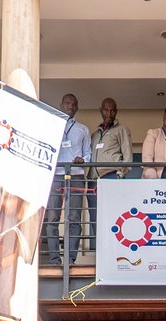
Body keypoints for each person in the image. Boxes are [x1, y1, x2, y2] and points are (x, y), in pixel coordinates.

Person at [43, 94, 92, 265]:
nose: (70, 106)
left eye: (74, 104)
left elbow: (88, 154)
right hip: (55, 175)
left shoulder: (83, 129)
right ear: (61, 105)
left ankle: (70, 259)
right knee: (53, 217)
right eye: (67, 103)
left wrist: (83, 160)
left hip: (76, 175)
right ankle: (55, 259)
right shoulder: (51, 127)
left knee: (74, 218)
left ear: (77, 107)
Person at [87, 97, 132, 231]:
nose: (109, 113)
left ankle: (113, 251)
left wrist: (120, 175)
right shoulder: (95, 134)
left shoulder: (121, 129)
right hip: (94, 181)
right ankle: (100, 250)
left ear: (116, 112)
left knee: (113, 216)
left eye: (112, 110)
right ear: (101, 111)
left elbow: (128, 156)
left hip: (112, 177)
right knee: (95, 217)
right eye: (106, 110)